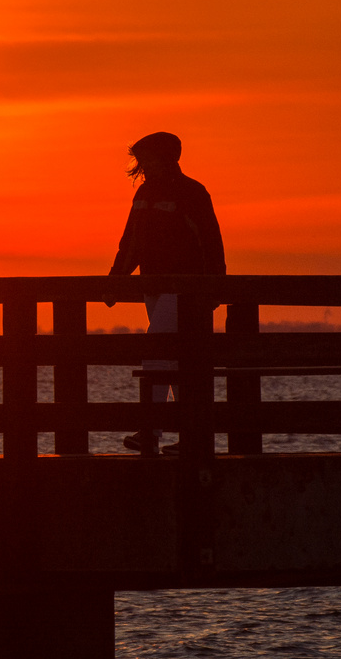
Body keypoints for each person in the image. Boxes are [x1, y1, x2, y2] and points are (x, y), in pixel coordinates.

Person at [107, 131, 225, 456]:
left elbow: (211, 242)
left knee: (157, 350)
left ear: (168, 158)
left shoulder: (192, 193)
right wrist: (116, 279)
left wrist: (214, 286)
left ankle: (151, 429)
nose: (144, 166)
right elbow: (130, 241)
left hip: (187, 290)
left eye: (148, 158)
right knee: (174, 360)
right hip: (153, 287)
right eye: (141, 159)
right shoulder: (144, 194)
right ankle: (192, 436)